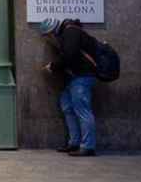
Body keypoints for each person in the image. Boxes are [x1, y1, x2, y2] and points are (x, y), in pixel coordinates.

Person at [40, 17, 98, 156]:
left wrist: (53, 66)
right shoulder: (66, 35)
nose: (48, 39)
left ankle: (88, 146)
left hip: (82, 76)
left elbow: (70, 55)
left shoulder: (70, 33)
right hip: (73, 78)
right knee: (67, 106)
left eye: (47, 36)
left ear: (53, 32)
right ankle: (74, 142)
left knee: (82, 110)